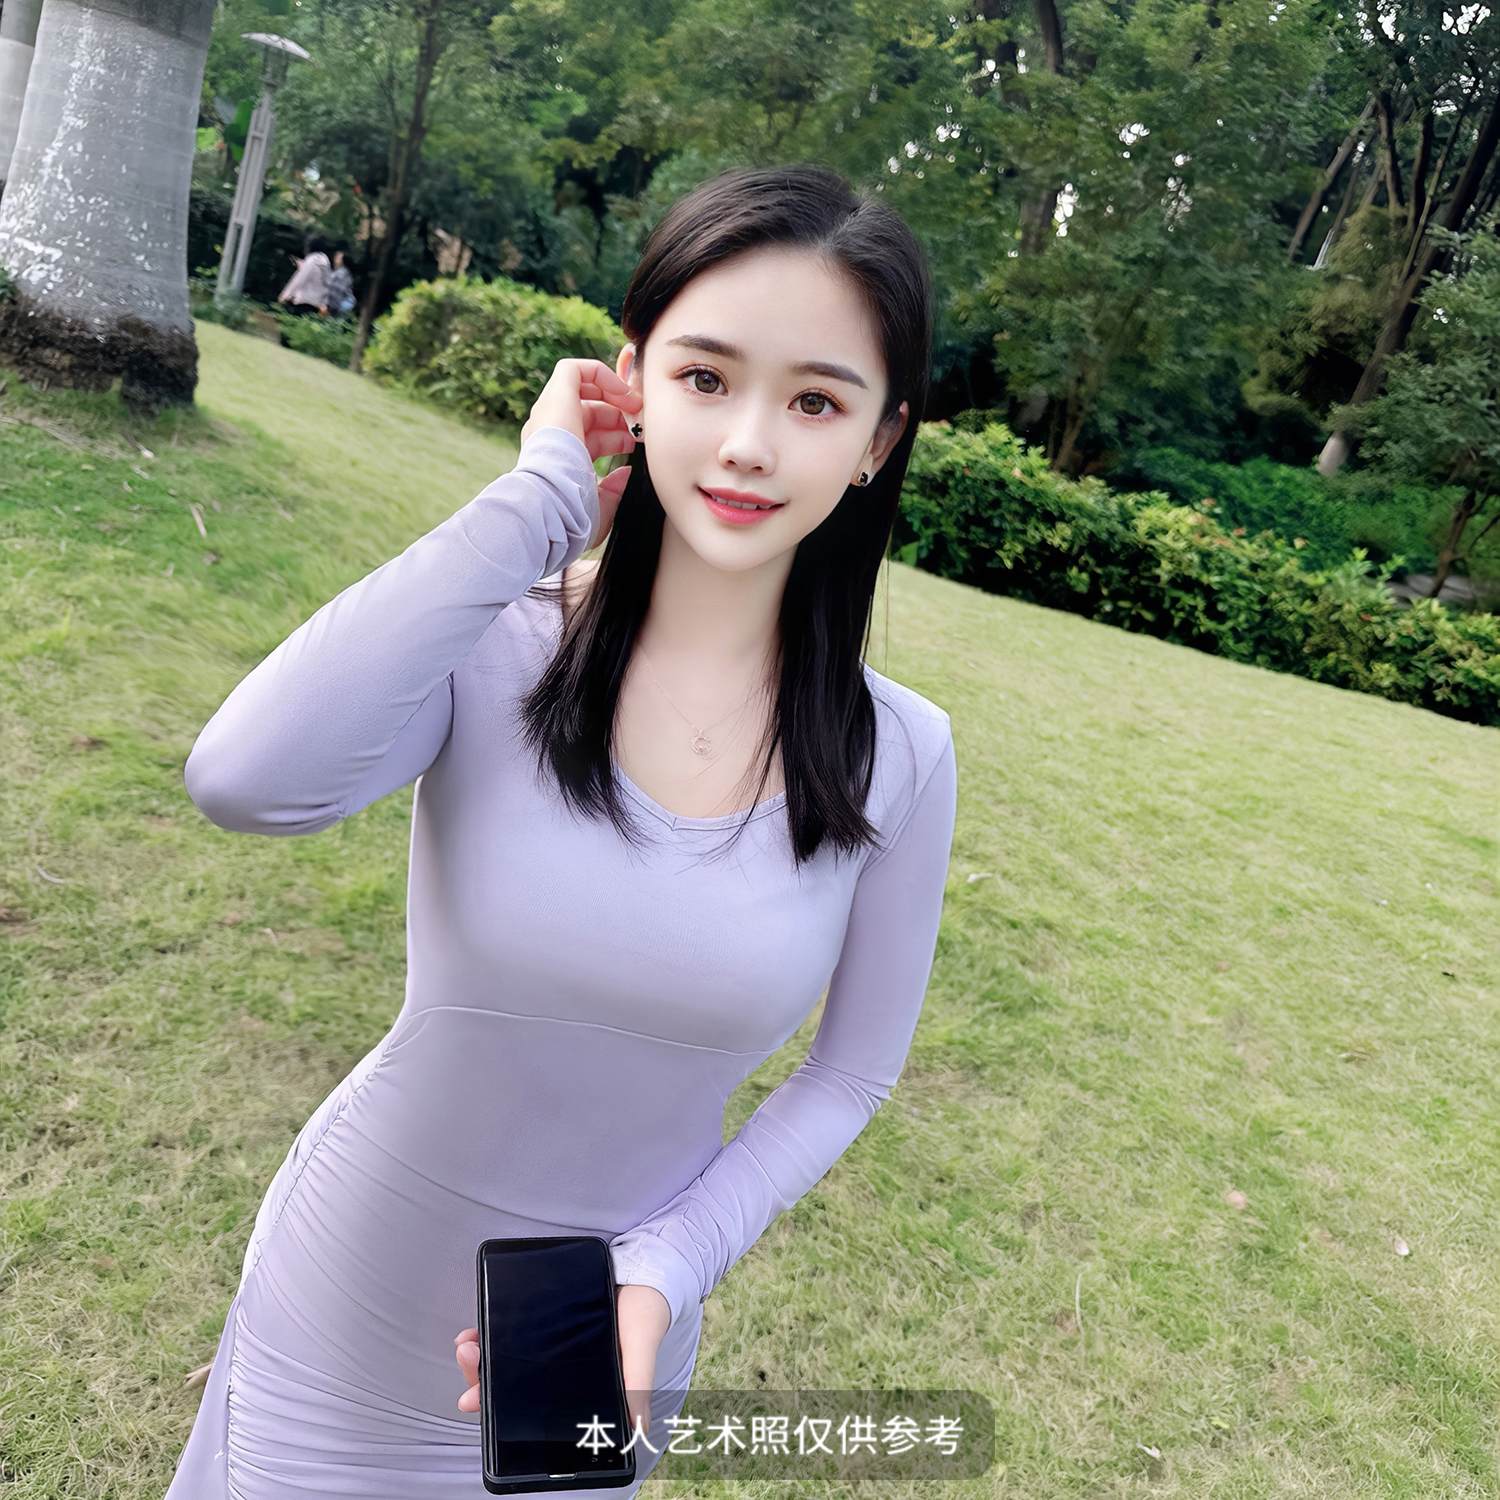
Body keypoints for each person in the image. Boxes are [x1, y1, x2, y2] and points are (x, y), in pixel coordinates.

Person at [166, 163, 958, 1500]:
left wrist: (664, 1269)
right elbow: (247, 781)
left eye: (816, 401)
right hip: (348, 1309)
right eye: (705, 378)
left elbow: (849, 1076)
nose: (749, 444)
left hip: (596, 1354)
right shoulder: (494, 644)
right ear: (632, 378)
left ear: (881, 439)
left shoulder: (903, 755)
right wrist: (535, 505)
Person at [278, 234, 332, 316]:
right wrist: (324, 303)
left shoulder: (311, 260)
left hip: (302, 302)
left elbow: (299, 279)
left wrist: (285, 295)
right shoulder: (326, 263)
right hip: (316, 305)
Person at [322, 248, 356, 318]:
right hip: (344, 304)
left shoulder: (341, 274)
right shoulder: (341, 272)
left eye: (337, 258)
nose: (334, 259)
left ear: (343, 261)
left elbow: (336, 292)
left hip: (342, 305)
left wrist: (329, 308)